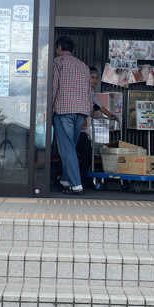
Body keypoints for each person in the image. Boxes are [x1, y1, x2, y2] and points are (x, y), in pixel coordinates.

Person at [52, 36, 91, 194]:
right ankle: (66, 180)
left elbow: (53, 87)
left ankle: (76, 185)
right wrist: (86, 114)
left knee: (67, 149)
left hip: (64, 111)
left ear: (60, 47)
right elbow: (89, 92)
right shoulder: (84, 66)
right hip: (81, 111)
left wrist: (48, 108)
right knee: (70, 148)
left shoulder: (58, 62)